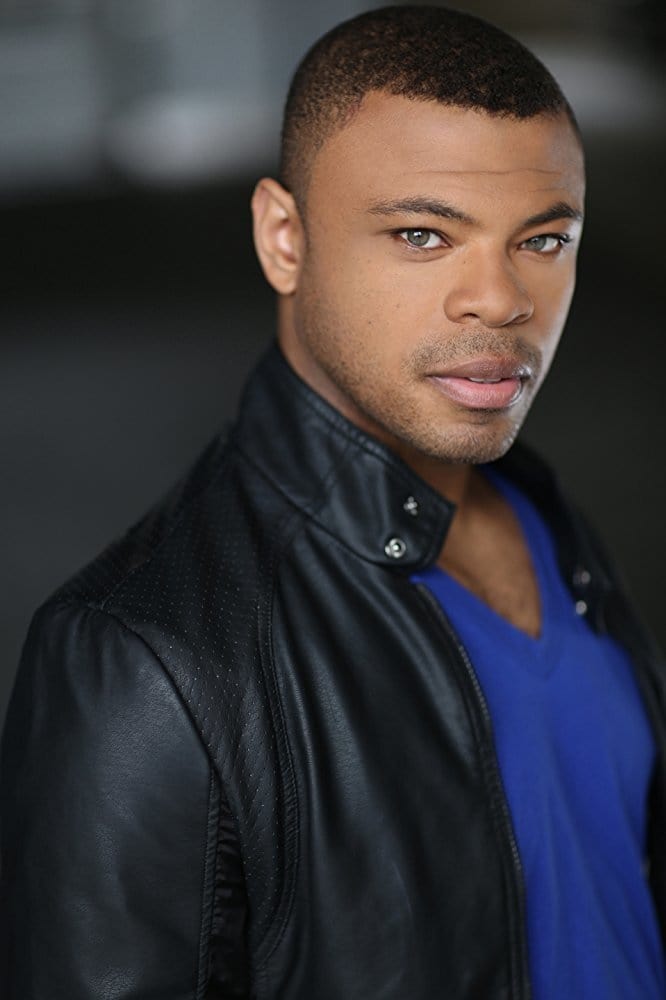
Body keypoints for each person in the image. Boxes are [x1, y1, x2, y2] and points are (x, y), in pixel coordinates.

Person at [1, 5, 665, 998]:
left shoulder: (548, 522)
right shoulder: (142, 658)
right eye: (423, 234)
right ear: (284, 237)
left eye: (543, 238)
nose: (499, 300)